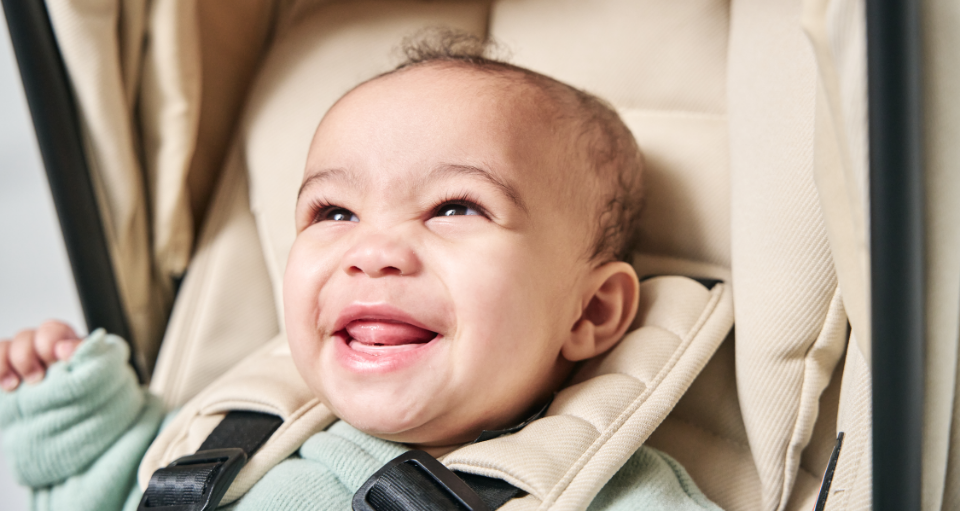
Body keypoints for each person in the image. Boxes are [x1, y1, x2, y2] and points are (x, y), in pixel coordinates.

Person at [0, 34, 721, 510]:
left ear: (590, 312)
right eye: (335, 212)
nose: (372, 252)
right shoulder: (229, 441)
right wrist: (76, 416)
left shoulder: (605, 493)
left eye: (455, 207)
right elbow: (116, 489)